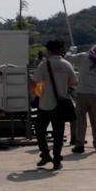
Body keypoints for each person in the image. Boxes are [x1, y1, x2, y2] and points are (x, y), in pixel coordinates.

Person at [31, 40, 77, 170]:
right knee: (58, 133)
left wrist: (36, 94)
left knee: (40, 130)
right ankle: (57, 160)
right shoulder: (66, 64)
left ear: (49, 51)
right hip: (61, 104)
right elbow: (74, 82)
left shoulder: (44, 64)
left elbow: (34, 81)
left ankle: (45, 154)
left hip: (45, 103)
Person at [66, 44, 96, 153]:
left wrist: (71, 50)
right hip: (95, 95)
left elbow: (68, 58)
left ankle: (80, 145)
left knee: (81, 121)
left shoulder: (83, 56)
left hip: (81, 94)